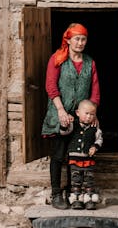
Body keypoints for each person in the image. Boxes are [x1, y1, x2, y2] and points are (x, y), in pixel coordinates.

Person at [41, 23, 100, 209]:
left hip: (82, 118)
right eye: (77, 39)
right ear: (68, 40)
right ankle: (56, 193)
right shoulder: (57, 59)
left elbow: (95, 91)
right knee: (58, 155)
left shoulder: (90, 63)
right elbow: (51, 86)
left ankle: (74, 192)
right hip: (60, 114)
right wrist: (60, 110)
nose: (81, 43)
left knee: (78, 154)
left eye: (84, 39)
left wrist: (93, 112)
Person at [60, 99, 102, 210]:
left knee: (89, 180)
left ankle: (89, 200)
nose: (89, 117)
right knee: (76, 180)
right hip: (74, 159)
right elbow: (64, 132)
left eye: (92, 114)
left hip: (88, 160)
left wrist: (95, 147)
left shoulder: (95, 128)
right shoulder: (73, 125)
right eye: (86, 113)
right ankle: (76, 200)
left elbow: (99, 139)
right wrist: (64, 125)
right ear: (78, 113)